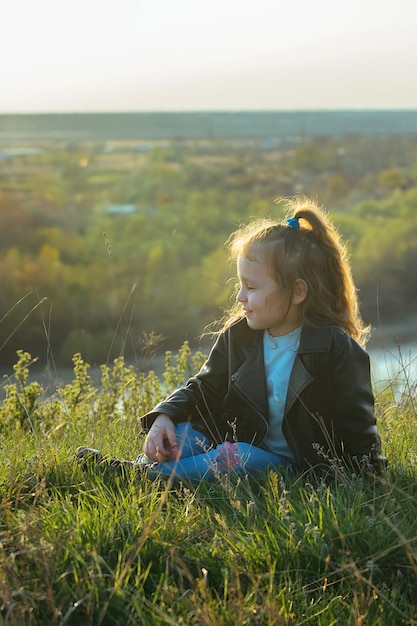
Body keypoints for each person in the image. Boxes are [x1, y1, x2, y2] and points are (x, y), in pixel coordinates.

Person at [77, 197, 386, 483]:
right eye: (240, 285)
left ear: (297, 291)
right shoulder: (239, 336)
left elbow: (360, 429)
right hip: (230, 439)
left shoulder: (335, 349)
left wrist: (367, 477)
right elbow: (203, 387)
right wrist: (164, 417)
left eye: (251, 287)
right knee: (183, 435)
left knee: (235, 456)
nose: (239, 297)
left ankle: (143, 480)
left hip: (295, 465)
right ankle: (139, 469)